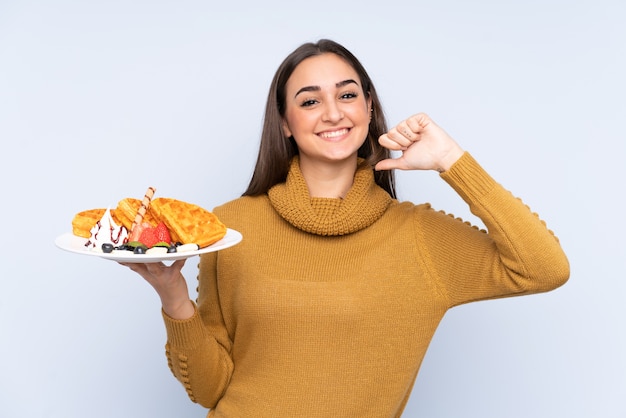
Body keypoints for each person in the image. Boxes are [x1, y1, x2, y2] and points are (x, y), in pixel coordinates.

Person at [121, 39, 569, 417]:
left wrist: (452, 162)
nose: (333, 113)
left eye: (348, 95)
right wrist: (172, 294)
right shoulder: (231, 224)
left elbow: (544, 268)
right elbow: (209, 389)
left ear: (369, 108)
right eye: (310, 101)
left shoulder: (419, 237)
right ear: (285, 123)